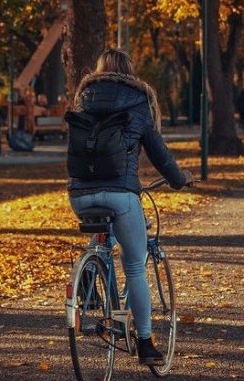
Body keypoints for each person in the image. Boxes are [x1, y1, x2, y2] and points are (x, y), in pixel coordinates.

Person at [68, 48, 193, 366]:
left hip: (79, 195)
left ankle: (91, 273)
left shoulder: (83, 98)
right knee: (135, 265)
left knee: (102, 232)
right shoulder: (139, 100)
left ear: (98, 70)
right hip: (121, 194)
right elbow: (159, 153)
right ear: (129, 71)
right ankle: (147, 344)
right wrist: (179, 179)